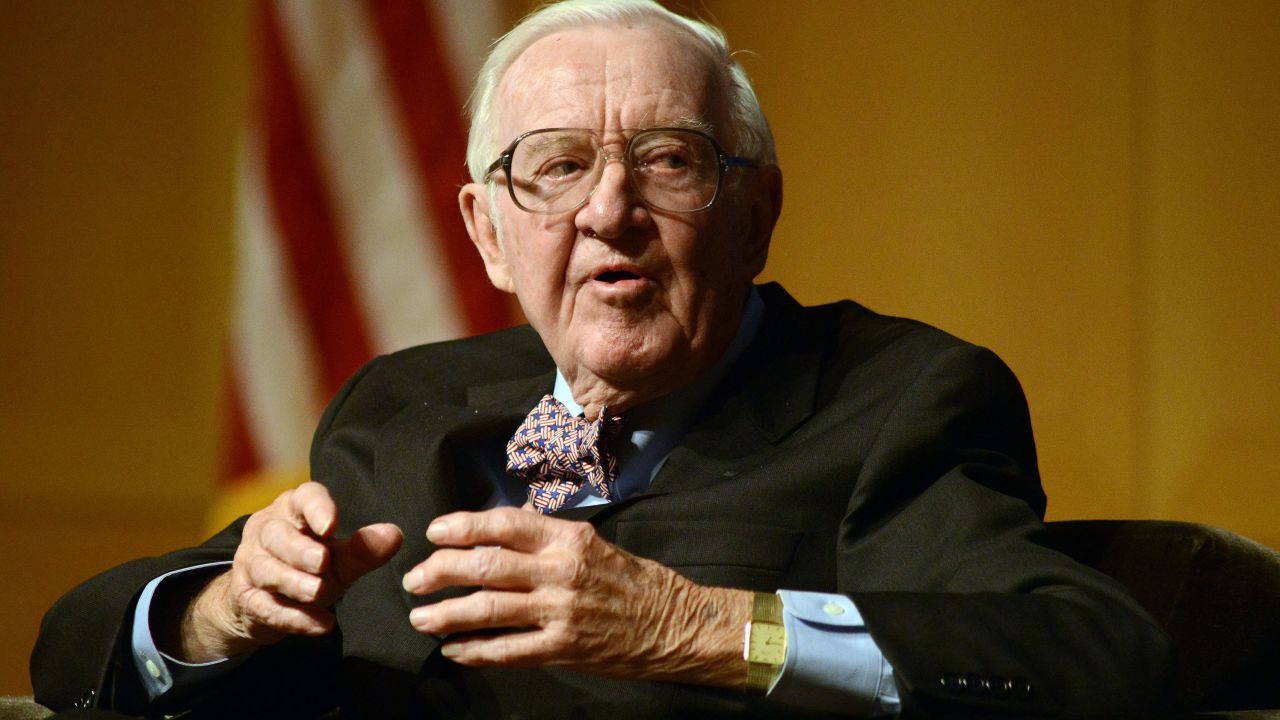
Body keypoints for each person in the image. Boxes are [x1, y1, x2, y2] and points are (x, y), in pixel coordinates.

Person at [32, 1, 1172, 718]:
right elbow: (70, 647)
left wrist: (697, 629)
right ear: (487, 231)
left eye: (668, 161)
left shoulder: (902, 399)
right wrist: (222, 611)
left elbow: (1092, 654)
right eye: (556, 167)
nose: (609, 213)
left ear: (752, 214)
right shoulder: (405, 405)